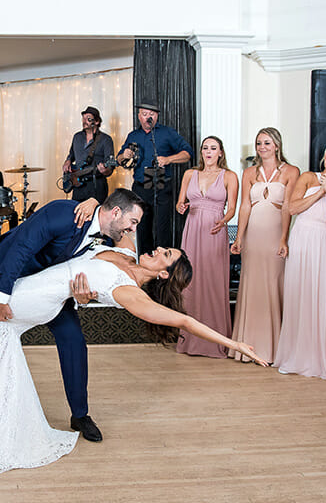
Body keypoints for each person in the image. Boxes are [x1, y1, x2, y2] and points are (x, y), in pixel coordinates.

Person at [0, 245, 268, 474]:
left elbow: (183, 319)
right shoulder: (124, 254)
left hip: (27, 303)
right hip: (26, 289)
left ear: (164, 274)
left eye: (165, 255)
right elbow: (91, 241)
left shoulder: (132, 292)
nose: (157, 248)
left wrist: (236, 344)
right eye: (163, 247)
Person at [0, 188, 143, 443]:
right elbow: (21, 247)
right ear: (116, 212)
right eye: (133, 222)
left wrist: (83, 297)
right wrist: (0, 296)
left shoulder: (106, 241)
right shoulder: (64, 214)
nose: (132, 229)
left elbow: (83, 274)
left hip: (49, 293)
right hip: (11, 279)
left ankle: (80, 415)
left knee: (73, 341)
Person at [274, 138, 326, 381]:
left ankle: (321, 357)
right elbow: (293, 208)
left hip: (325, 243)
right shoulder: (308, 177)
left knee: (321, 296)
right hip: (301, 239)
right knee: (299, 293)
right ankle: (296, 354)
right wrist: (320, 189)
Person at [230, 128, 300, 364]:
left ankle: (276, 348)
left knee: (274, 284)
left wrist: (283, 238)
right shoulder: (249, 172)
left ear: (277, 145)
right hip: (253, 236)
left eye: (267, 143)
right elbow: (245, 206)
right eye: (259, 143)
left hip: (274, 236)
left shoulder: (292, 172)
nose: (262, 147)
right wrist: (239, 237)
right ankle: (248, 346)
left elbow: (289, 206)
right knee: (252, 285)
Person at [174, 136, 239, 357]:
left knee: (212, 282)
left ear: (221, 152)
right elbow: (180, 202)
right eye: (205, 148)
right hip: (192, 230)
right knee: (190, 282)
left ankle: (215, 340)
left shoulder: (229, 176)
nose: (208, 151)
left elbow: (231, 208)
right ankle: (190, 340)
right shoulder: (190, 174)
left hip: (214, 230)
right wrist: (181, 206)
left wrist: (225, 220)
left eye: (213, 148)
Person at [117, 103, 193, 254]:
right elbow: (119, 160)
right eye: (144, 114)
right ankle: (146, 265)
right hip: (140, 187)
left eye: (151, 114)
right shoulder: (133, 135)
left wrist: (168, 159)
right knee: (141, 228)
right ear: (139, 116)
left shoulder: (167, 133)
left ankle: (162, 267)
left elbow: (187, 153)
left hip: (161, 185)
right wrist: (123, 156)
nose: (148, 117)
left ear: (157, 116)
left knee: (162, 229)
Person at [62, 106, 115, 204]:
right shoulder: (77, 137)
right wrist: (68, 161)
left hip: (96, 187)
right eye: (83, 118)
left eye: (88, 119)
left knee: (95, 217)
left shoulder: (106, 140)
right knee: (76, 215)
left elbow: (110, 168)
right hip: (78, 186)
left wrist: (105, 169)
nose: (84, 121)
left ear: (97, 121)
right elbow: (71, 154)